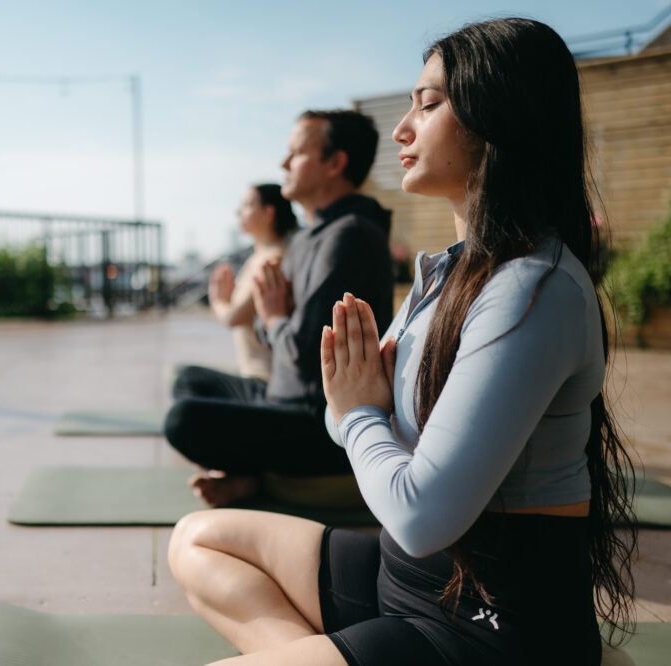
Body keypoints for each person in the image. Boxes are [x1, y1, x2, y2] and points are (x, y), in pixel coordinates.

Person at [167, 18, 636, 666]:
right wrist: (356, 409)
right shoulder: (445, 275)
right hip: (406, 582)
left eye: (430, 104)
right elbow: (340, 420)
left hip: (485, 631)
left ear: (497, 116)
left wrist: (363, 411)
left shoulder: (535, 290)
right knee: (196, 539)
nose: (402, 129)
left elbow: (418, 514)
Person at [165, 109, 393, 507]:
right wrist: (273, 320)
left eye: (297, 153)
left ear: (335, 163)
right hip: (277, 397)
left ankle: (256, 480)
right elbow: (268, 330)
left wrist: (274, 318)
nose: (283, 163)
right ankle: (250, 476)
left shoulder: (350, 236)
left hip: (317, 422)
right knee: (189, 379)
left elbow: (303, 353)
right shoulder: (307, 237)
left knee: (183, 419)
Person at [208, 184, 297, 382]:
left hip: (263, 378)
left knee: (186, 379)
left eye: (248, 205)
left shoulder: (272, 260)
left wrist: (218, 301)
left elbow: (234, 317)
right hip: (252, 373)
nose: (239, 212)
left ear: (268, 213)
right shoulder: (258, 257)